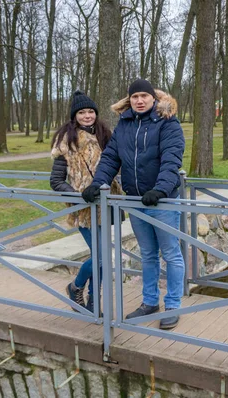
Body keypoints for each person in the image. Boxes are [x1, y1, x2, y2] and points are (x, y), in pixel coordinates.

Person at [82, 78, 186, 330]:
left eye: (144, 96)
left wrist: (160, 189)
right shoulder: (124, 125)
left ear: (153, 98)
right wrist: (98, 183)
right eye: (135, 97)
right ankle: (149, 302)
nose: (139, 101)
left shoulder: (167, 123)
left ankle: (172, 305)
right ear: (130, 101)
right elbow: (110, 158)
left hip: (163, 200)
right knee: (148, 254)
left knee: (171, 253)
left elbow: (172, 159)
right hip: (135, 200)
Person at [50, 90, 122, 312]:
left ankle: (92, 301)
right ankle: (76, 287)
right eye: (82, 112)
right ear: (75, 116)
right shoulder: (67, 141)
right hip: (84, 209)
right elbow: (55, 180)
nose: (87, 115)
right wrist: (77, 196)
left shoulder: (105, 135)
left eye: (91, 111)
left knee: (100, 257)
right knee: (101, 256)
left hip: (107, 205)